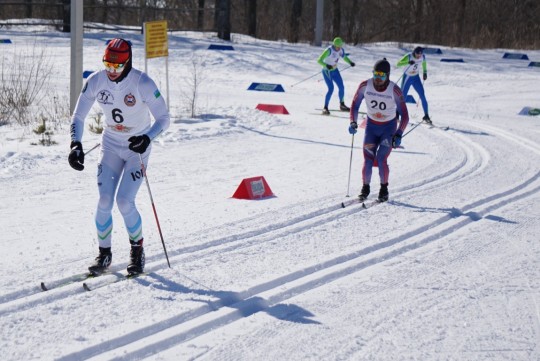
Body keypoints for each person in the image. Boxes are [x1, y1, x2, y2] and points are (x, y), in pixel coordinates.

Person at [68, 38, 170, 275]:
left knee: (124, 201)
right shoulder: (96, 80)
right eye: (108, 65)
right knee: (104, 201)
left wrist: (148, 137)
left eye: (117, 67)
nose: (112, 72)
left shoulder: (142, 82)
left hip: (137, 150)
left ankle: (137, 251)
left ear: (128, 62)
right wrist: (75, 144)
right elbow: (78, 116)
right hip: (111, 146)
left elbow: (164, 118)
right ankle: (104, 254)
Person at [348, 58, 409, 202]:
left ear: (387, 75)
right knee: (368, 159)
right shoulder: (365, 86)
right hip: (371, 128)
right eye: (376, 74)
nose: (378, 79)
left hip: (388, 128)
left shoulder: (394, 90)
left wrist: (399, 133)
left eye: (381, 75)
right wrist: (353, 122)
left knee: (381, 159)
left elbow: (405, 115)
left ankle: (384, 189)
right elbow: (354, 105)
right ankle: (365, 188)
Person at [317, 37, 356, 115]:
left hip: (335, 71)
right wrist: (326, 65)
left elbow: (344, 57)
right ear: (334, 45)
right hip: (327, 71)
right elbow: (319, 60)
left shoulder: (341, 50)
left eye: (340, 46)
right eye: (337, 47)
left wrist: (350, 62)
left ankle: (342, 105)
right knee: (331, 89)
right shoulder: (329, 50)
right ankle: (325, 108)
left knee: (341, 87)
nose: (338, 48)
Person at [396, 46, 431, 124]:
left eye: (420, 55)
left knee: (422, 95)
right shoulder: (409, 56)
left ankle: (426, 115)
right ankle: (397, 113)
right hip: (407, 78)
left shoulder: (423, 57)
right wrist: (407, 62)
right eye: (417, 54)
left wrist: (425, 72)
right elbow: (398, 64)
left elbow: (424, 64)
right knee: (403, 97)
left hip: (416, 78)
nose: (419, 56)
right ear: (414, 52)